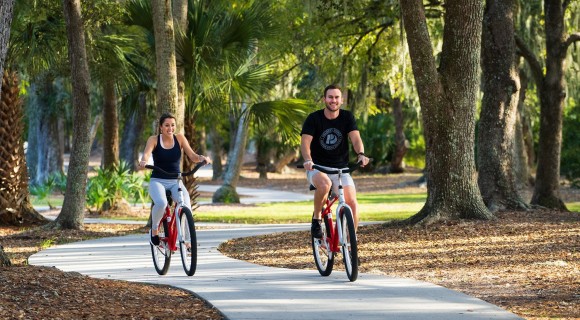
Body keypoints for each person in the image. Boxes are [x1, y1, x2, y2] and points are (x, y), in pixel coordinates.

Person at [300, 84, 369, 239]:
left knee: (352, 203)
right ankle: (317, 219)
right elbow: (305, 143)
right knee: (325, 185)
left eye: (336, 97)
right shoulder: (314, 118)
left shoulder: (347, 117)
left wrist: (361, 154)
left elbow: (356, 138)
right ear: (324, 99)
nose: (333, 100)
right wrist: (308, 160)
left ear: (341, 100)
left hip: (341, 169)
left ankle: (350, 244)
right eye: (330, 97)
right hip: (317, 167)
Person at [139, 113, 211, 246]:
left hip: (175, 181)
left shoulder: (180, 138)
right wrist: (144, 161)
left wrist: (202, 158)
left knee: (186, 206)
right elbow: (146, 154)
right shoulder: (154, 140)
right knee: (161, 203)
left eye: (172, 125)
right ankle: (154, 229)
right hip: (158, 180)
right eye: (166, 125)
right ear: (161, 127)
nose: (170, 128)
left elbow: (193, 156)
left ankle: (188, 242)